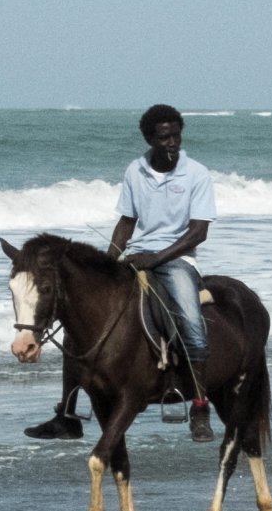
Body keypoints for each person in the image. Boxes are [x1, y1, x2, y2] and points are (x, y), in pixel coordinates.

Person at [25, 103, 219, 442]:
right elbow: (126, 222)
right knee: (79, 320)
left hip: (177, 260)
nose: (172, 143)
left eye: (176, 135)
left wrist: (157, 257)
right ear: (149, 138)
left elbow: (198, 232)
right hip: (136, 256)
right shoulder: (135, 171)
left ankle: (200, 407)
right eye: (163, 138)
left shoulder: (197, 174)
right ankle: (68, 414)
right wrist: (108, 263)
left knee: (190, 321)